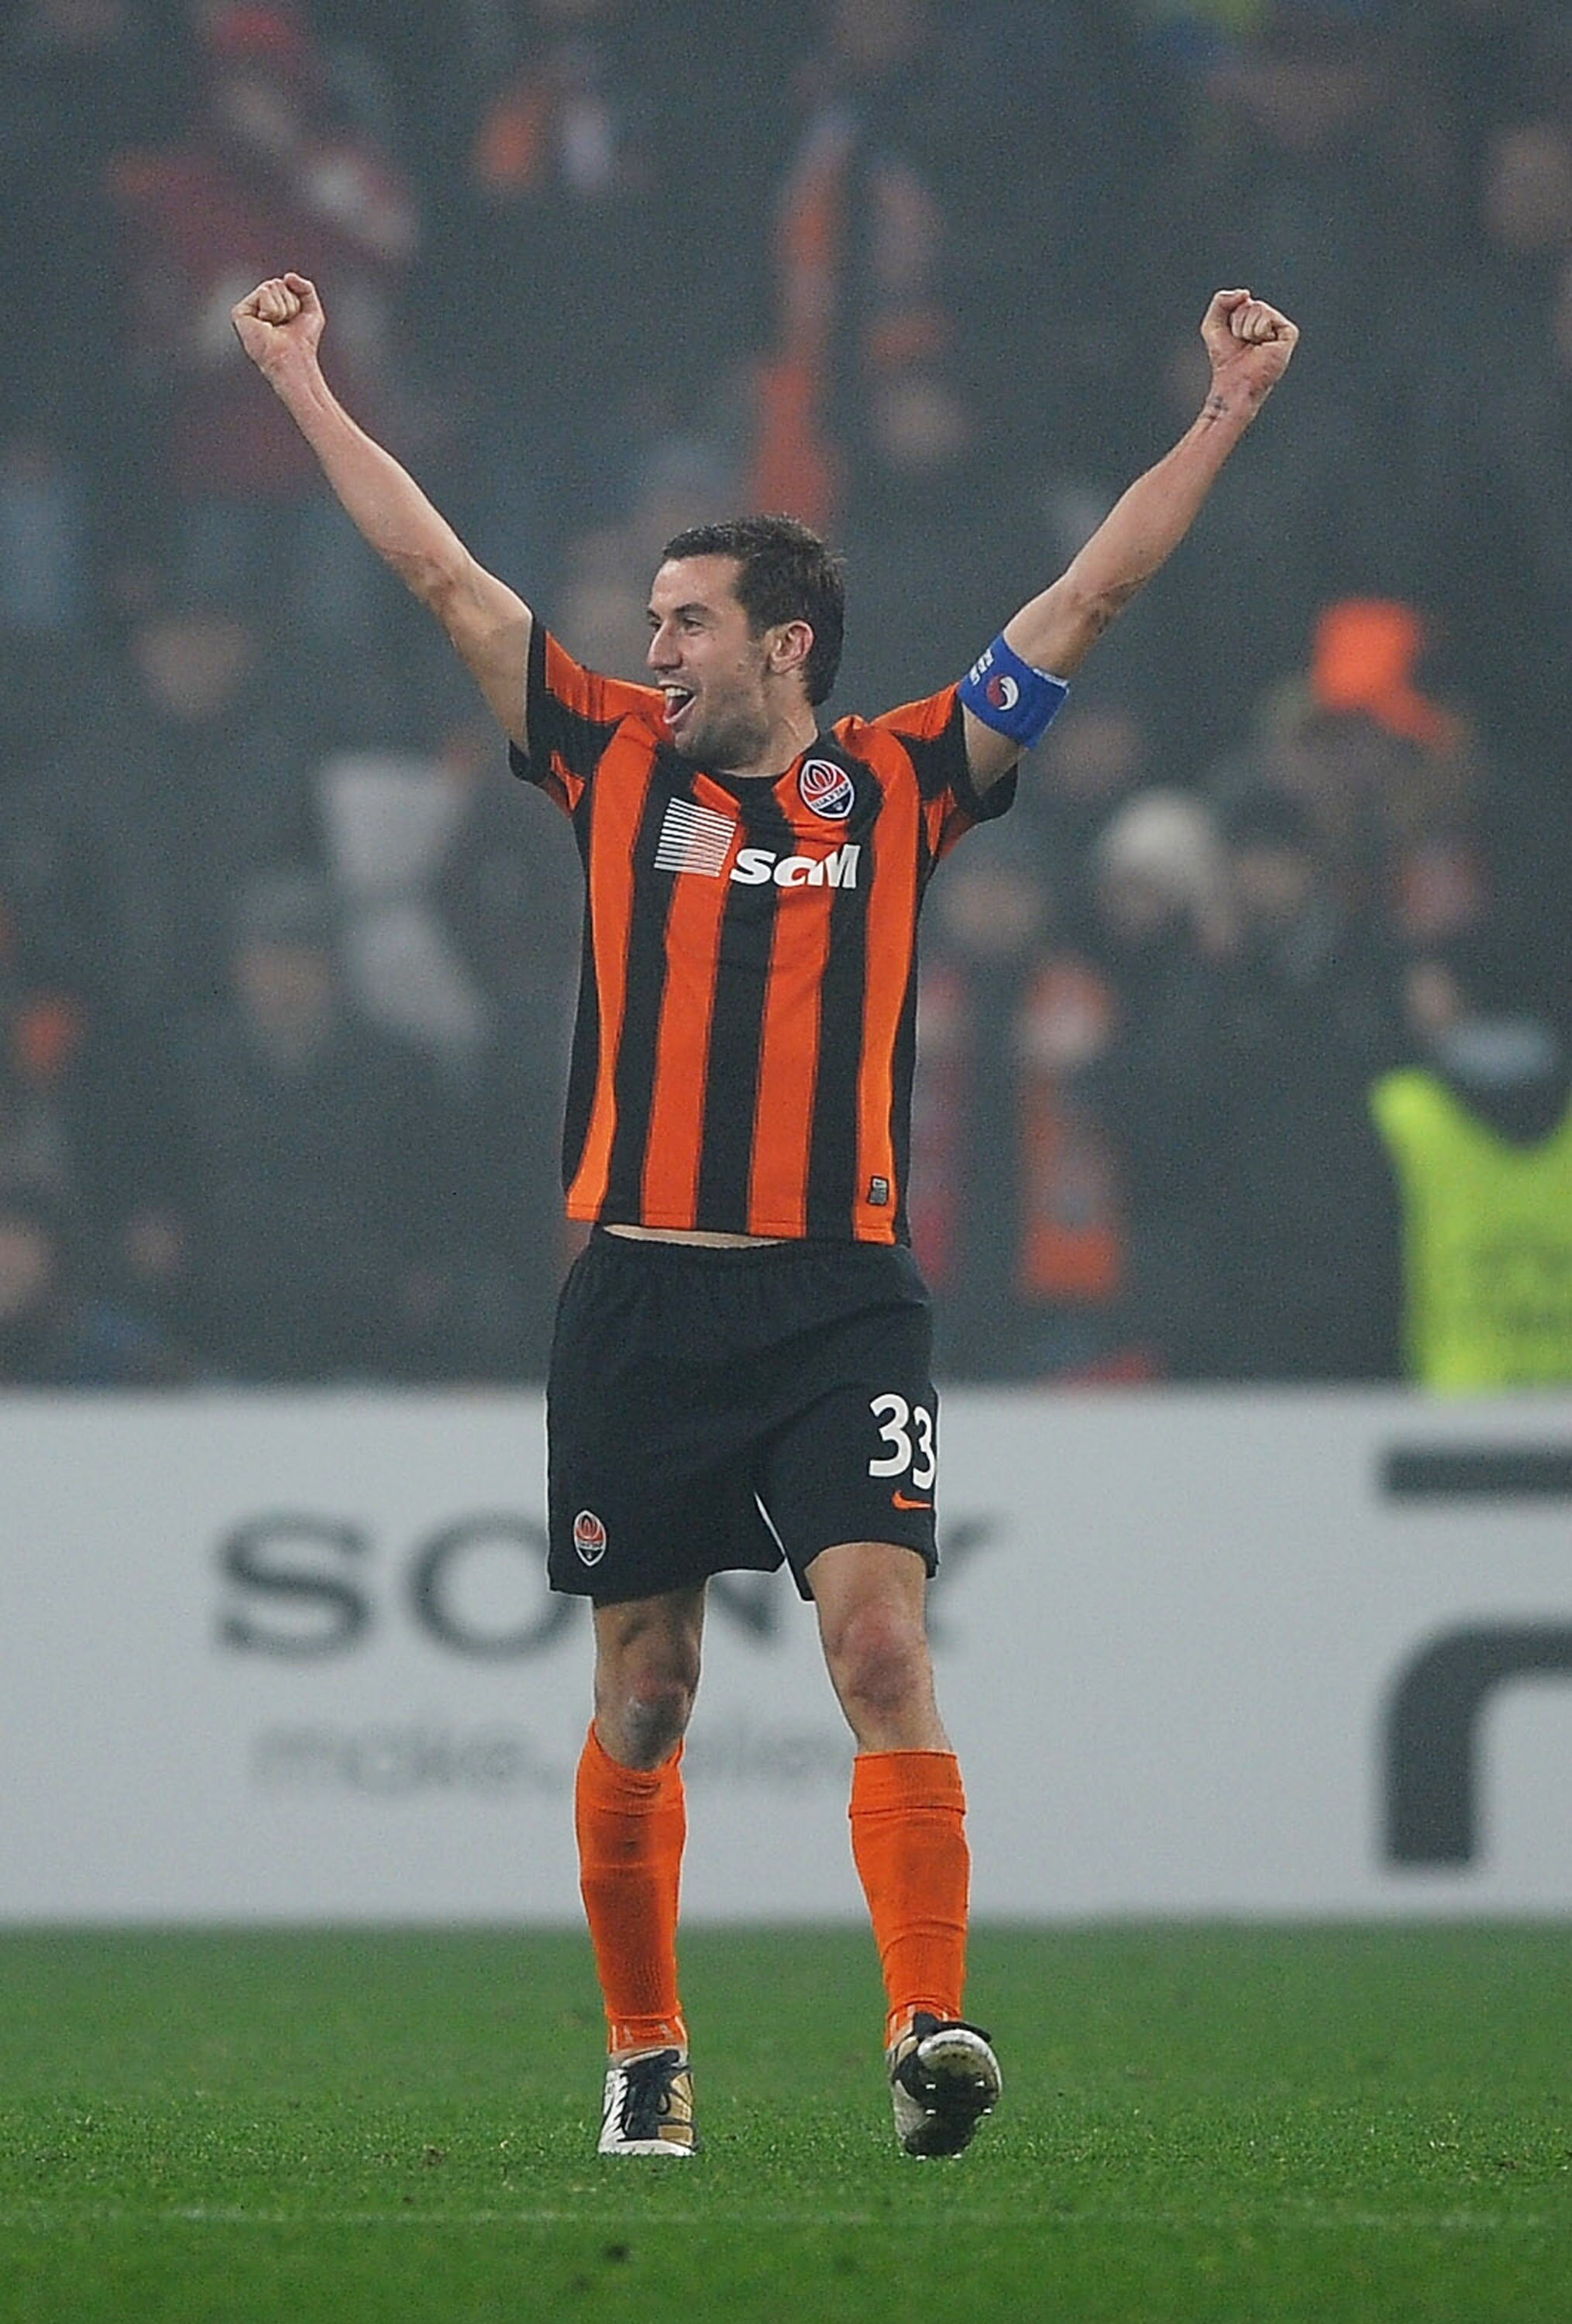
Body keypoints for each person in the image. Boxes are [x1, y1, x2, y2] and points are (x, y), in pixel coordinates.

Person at [230, 263, 1297, 2157]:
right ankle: (647, 2044)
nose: (653, 652)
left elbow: (1096, 591)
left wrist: (1220, 411)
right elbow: (444, 582)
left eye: (688, 624)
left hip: (836, 1300)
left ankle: (926, 2033)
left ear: (788, 641)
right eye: (647, 622)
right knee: (646, 1693)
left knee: (878, 1646)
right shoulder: (602, 763)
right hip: (640, 1297)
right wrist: (306, 382)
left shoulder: (908, 779)